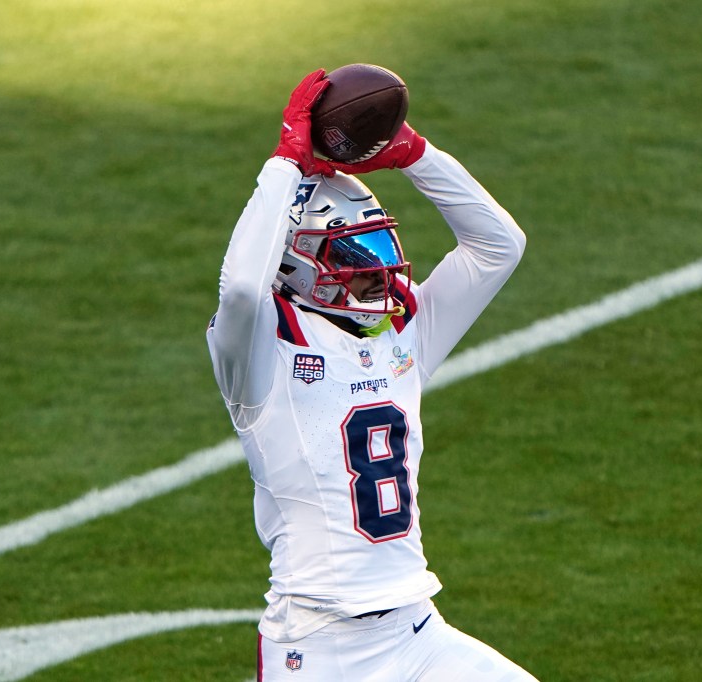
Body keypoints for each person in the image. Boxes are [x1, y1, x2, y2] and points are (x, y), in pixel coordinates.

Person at [207, 69, 536, 681]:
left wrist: (413, 153)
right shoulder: (260, 357)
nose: (380, 272)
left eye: (381, 249)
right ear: (298, 264)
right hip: (317, 643)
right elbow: (244, 291)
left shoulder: (400, 332)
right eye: (355, 256)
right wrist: (285, 162)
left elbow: (499, 246)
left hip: (417, 630)